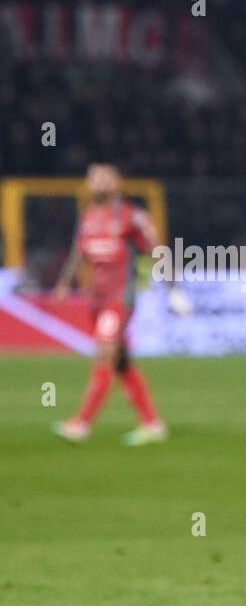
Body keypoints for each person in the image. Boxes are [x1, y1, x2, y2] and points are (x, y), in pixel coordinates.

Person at [52, 164, 187, 445]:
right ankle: (153, 424)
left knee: (104, 353)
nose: (97, 183)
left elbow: (157, 251)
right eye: (93, 178)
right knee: (121, 362)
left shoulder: (132, 217)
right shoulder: (88, 217)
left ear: (117, 183)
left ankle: (81, 423)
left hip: (119, 299)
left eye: (104, 178)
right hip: (96, 301)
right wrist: (64, 284)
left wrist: (174, 291)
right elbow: (78, 255)